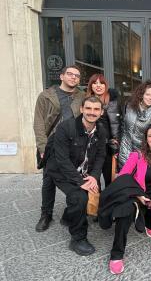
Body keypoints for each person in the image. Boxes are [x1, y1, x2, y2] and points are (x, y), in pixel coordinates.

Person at [107, 124, 151, 274]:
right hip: (136, 194)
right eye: (150, 136)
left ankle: (149, 221)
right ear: (146, 139)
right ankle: (116, 255)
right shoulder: (137, 155)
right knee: (124, 215)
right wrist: (138, 195)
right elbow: (123, 178)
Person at [45, 96, 106, 255]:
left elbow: (100, 156)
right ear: (81, 109)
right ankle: (78, 239)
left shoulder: (101, 130)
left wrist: (94, 176)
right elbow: (61, 160)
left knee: (91, 193)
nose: (92, 112)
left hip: (85, 171)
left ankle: (68, 216)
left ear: (101, 112)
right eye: (88, 108)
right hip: (60, 171)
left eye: (96, 109)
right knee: (80, 197)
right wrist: (80, 182)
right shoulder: (66, 128)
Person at [34, 65, 85, 232]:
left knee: (73, 178)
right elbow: (39, 123)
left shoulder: (82, 96)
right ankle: (46, 214)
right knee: (48, 181)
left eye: (77, 76)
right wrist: (42, 147)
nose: (73, 78)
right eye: (70, 74)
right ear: (62, 76)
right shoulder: (46, 96)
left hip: (72, 146)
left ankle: (71, 212)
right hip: (50, 144)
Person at [118, 81, 151, 167]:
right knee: (125, 178)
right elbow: (123, 127)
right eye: (148, 94)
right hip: (125, 152)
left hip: (143, 155)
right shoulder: (128, 106)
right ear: (141, 94)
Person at [86, 74, 121, 189]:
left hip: (108, 146)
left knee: (109, 177)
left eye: (101, 83)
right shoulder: (86, 101)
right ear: (91, 86)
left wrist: (116, 142)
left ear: (105, 85)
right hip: (91, 144)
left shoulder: (113, 101)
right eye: (95, 83)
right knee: (92, 176)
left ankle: (109, 202)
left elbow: (118, 123)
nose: (98, 86)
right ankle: (95, 202)